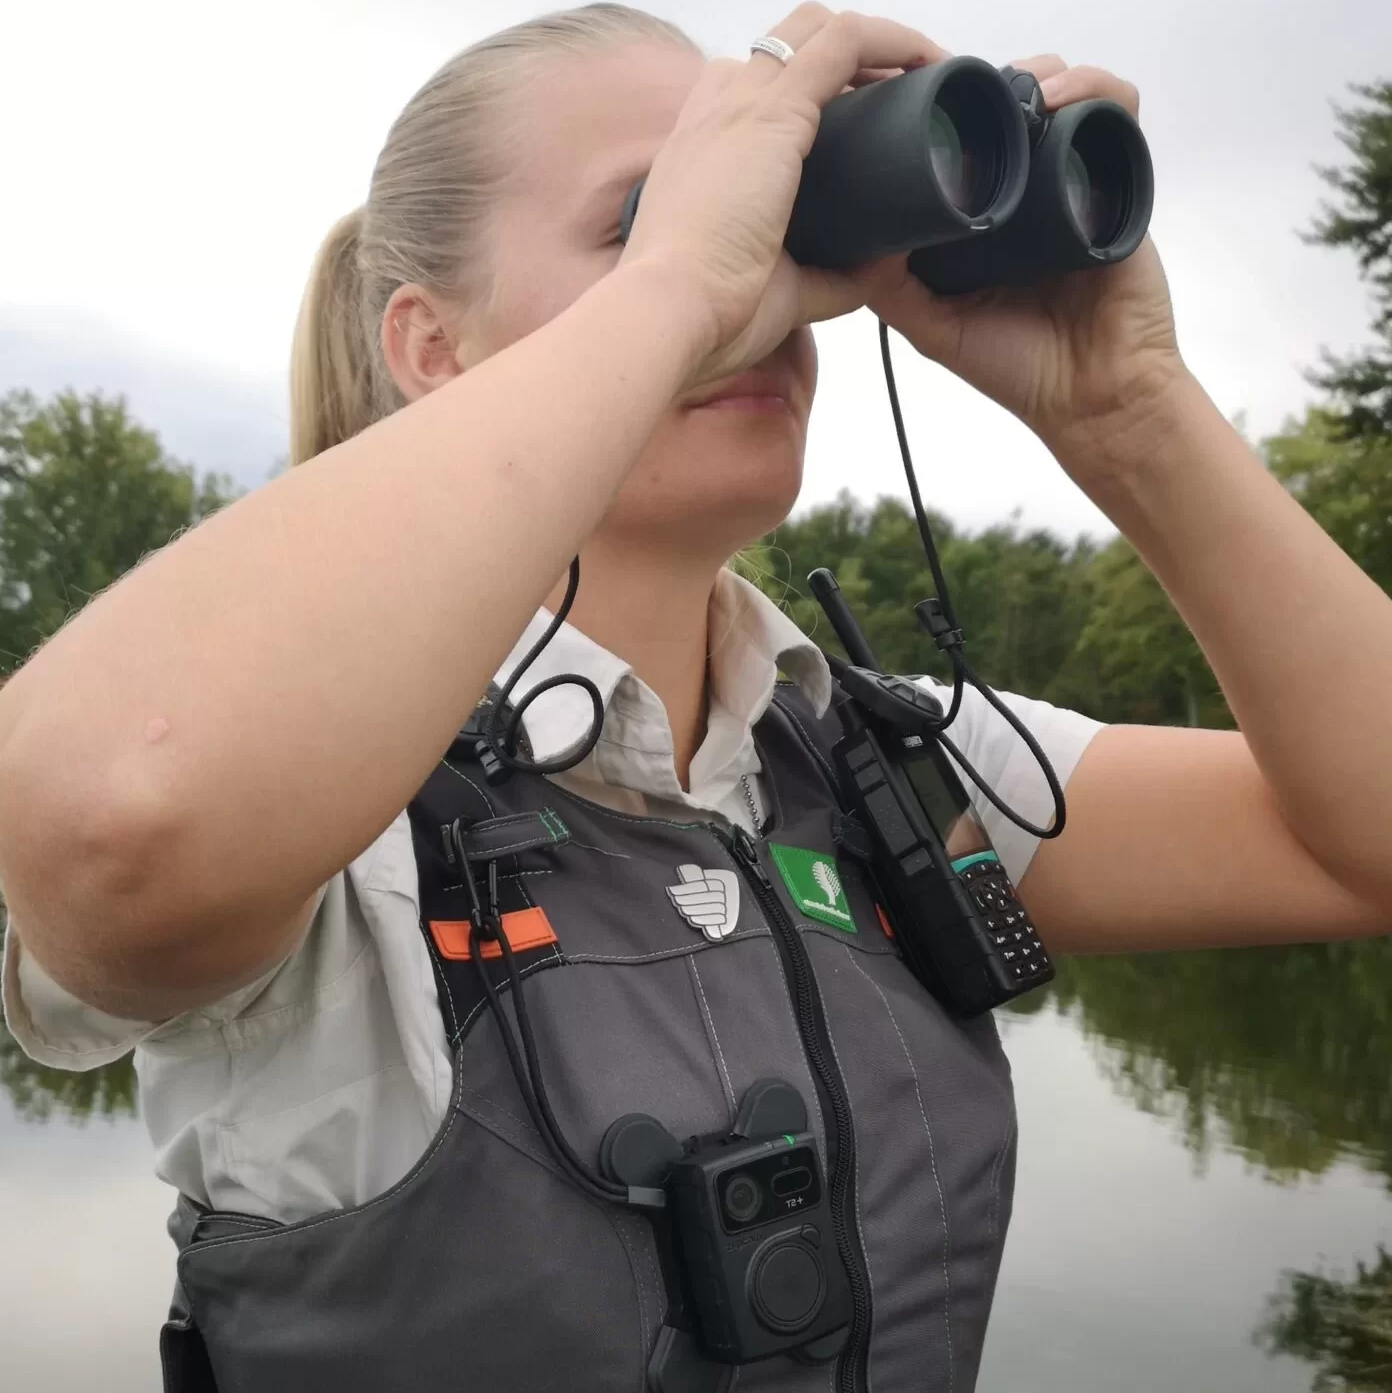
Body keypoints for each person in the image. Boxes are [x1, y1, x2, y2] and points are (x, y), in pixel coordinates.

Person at [1, 3, 1388, 1390]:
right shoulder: (332, 830)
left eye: (787, 223)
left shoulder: (884, 763)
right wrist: (682, 290)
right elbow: (115, 815)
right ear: (431, 348)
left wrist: (1131, 408)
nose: (755, 283)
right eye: (643, 219)